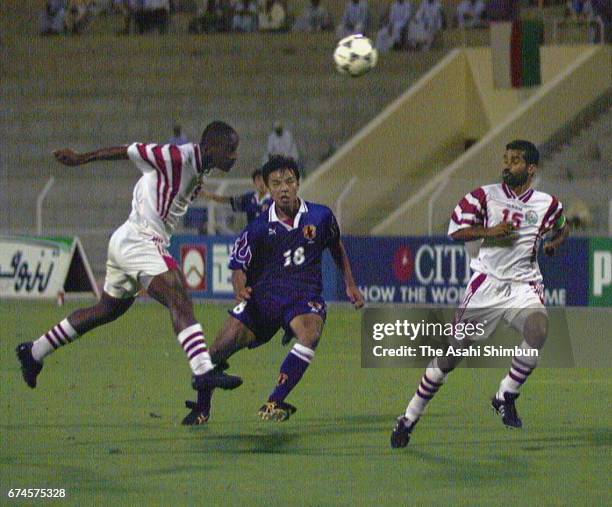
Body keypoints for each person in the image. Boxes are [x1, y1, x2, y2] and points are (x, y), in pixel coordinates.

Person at [16, 121, 244, 402]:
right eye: (230, 150)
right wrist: (82, 158)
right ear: (211, 147)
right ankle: (202, 372)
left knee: (107, 310)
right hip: (141, 239)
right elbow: (128, 150)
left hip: (128, 240)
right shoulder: (174, 156)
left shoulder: (200, 170)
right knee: (180, 297)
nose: (234, 156)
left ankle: (34, 352)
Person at [391, 140, 570, 448]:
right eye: (505, 159)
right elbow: (455, 231)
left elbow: (563, 227)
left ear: (531, 168)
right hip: (487, 284)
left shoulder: (547, 204)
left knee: (538, 329)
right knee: (451, 355)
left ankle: (505, 395)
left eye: (514, 161)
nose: (506, 165)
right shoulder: (484, 196)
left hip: (523, 285)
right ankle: (409, 416)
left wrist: (554, 243)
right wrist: (490, 231)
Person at [182, 156, 365, 425]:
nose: (284, 188)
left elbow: (336, 247)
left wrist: (350, 284)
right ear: (267, 187)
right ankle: (202, 409)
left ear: (298, 183)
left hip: (303, 297)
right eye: (276, 183)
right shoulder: (257, 228)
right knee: (216, 352)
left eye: (289, 181)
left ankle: (275, 400)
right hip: (263, 300)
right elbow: (238, 266)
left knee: (310, 333)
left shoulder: (321, 216)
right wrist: (240, 288)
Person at [200, 167, 273, 224]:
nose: (261, 183)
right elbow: (228, 200)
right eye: (258, 179)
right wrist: (208, 194)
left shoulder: (274, 199)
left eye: (264, 179)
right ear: (254, 182)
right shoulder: (249, 198)